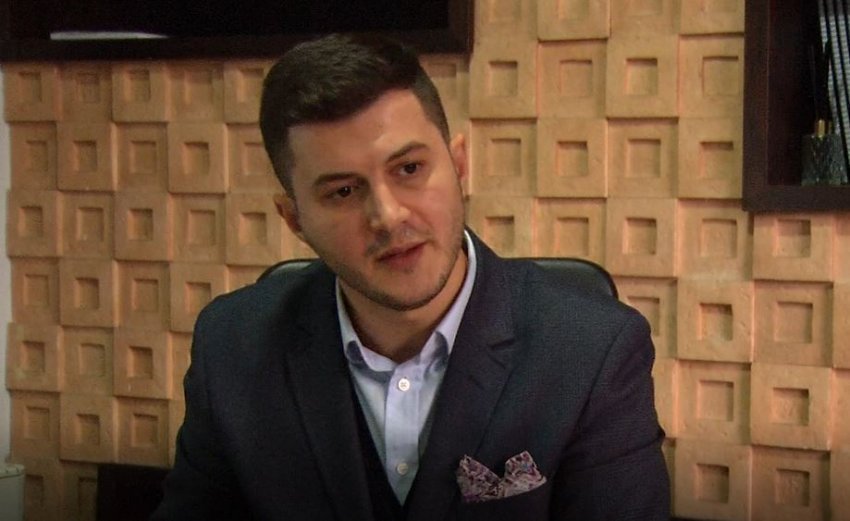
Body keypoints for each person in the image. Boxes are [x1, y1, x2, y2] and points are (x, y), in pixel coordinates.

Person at [151, 33, 670, 521]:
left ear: (459, 164)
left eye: (409, 169)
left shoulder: (593, 350)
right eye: (343, 192)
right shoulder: (232, 347)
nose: (388, 215)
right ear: (294, 220)